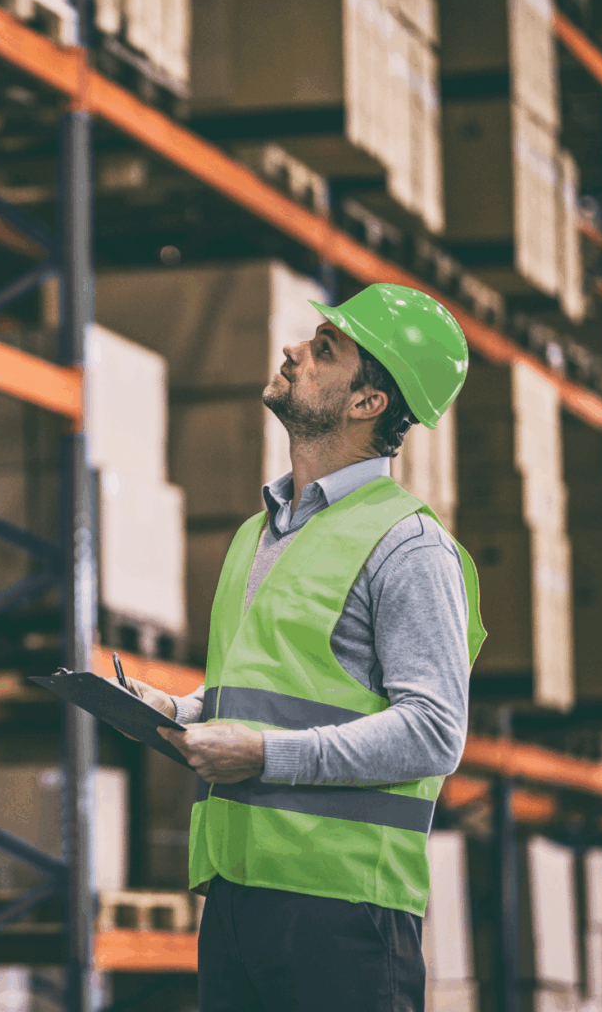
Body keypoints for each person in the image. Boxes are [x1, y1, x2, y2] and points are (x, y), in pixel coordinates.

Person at [113, 282, 487, 1011]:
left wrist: (263, 755)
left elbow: (434, 731)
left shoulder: (408, 546)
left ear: (367, 401)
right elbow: (274, 689)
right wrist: (180, 710)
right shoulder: (260, 532)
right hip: (235, 894)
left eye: (323, 350)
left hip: (344, 914)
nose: (292, 351)